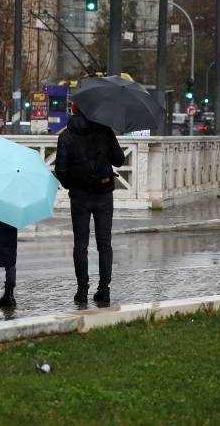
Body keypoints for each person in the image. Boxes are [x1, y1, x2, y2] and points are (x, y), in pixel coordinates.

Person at [55, 105, 125, 304]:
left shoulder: (66, 136)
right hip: (103, 195)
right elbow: (119, 160)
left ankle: (82, 290)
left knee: (81, 245)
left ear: (74, 110)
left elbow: (61, 169)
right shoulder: (105, 131)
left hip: (79, 197)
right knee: (104, 244)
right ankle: (104, 289)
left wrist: (73, 184)